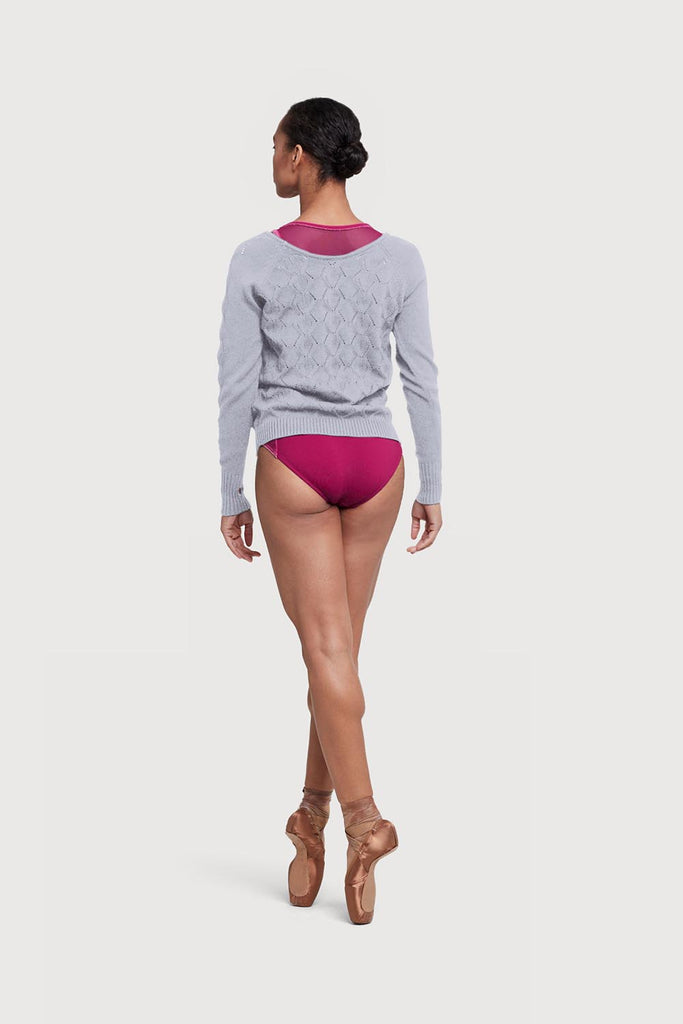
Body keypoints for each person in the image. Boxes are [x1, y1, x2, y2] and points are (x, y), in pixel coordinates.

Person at [217, 97, 443, 924]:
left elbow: (236, 385)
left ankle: (363, 820)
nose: (271, 160)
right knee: (337, 654)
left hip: (296, 460)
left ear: (302, 156)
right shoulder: (400, 258)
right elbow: (420, 377)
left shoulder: (255, 258)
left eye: (276, 146)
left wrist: (229, 491)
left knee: (325, 653)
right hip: (377, 464)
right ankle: (309, 823)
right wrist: (432, 483)